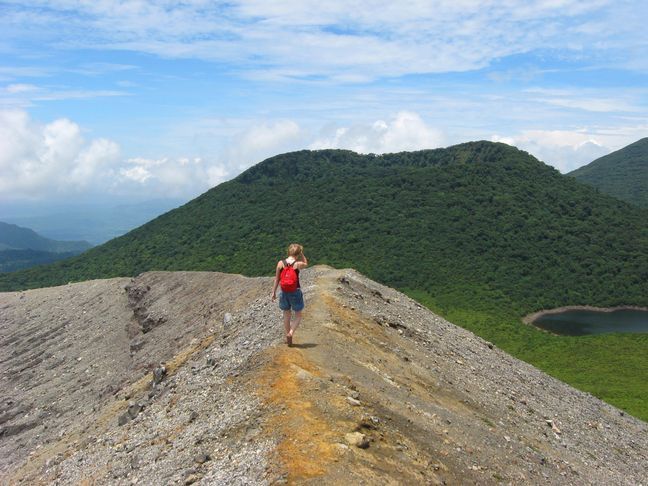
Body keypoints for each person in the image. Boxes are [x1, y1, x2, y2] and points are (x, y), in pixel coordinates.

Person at [272, 243, 308, 346]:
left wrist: (273, 292)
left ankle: (287, 335)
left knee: (286, 315)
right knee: (298, 315)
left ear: (288, 251)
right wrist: (302, 254)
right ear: (298, 253)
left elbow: (277, 279)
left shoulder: (280, 263)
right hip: (295, 292)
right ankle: (291, 333)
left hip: (283, 292)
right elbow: (306, 263)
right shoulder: (297, 264)